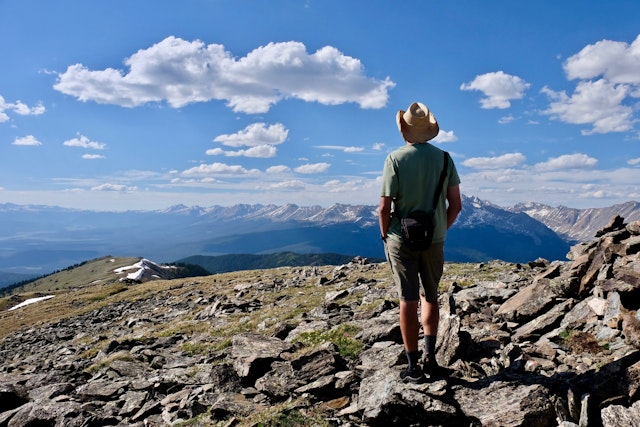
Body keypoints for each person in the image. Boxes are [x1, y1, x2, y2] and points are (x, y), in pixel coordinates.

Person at [378, 101, 462, 383]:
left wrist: (385, 234)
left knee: (407, 299)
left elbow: (383, 207)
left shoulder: (394, 159)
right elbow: (456, 204)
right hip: (434, 239)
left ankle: (412, 366)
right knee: (430, 296)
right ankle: (430, 358)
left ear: (404, 130)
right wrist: (440, 229)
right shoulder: (445, 159)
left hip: (401, 238)